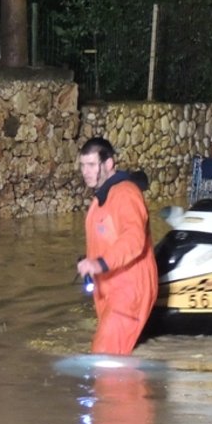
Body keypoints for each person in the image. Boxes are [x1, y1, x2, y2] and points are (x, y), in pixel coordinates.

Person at [75, 137, 158, 355]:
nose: (86, 171)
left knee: (105, 358)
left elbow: (134, 239)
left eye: (91, 165)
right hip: (109, 289)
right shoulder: (100, 199)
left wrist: (100, 263)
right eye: (83, 165)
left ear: (109, 164)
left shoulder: (125, 193)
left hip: (129, 289)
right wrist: (90, 262)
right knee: (110, 354)